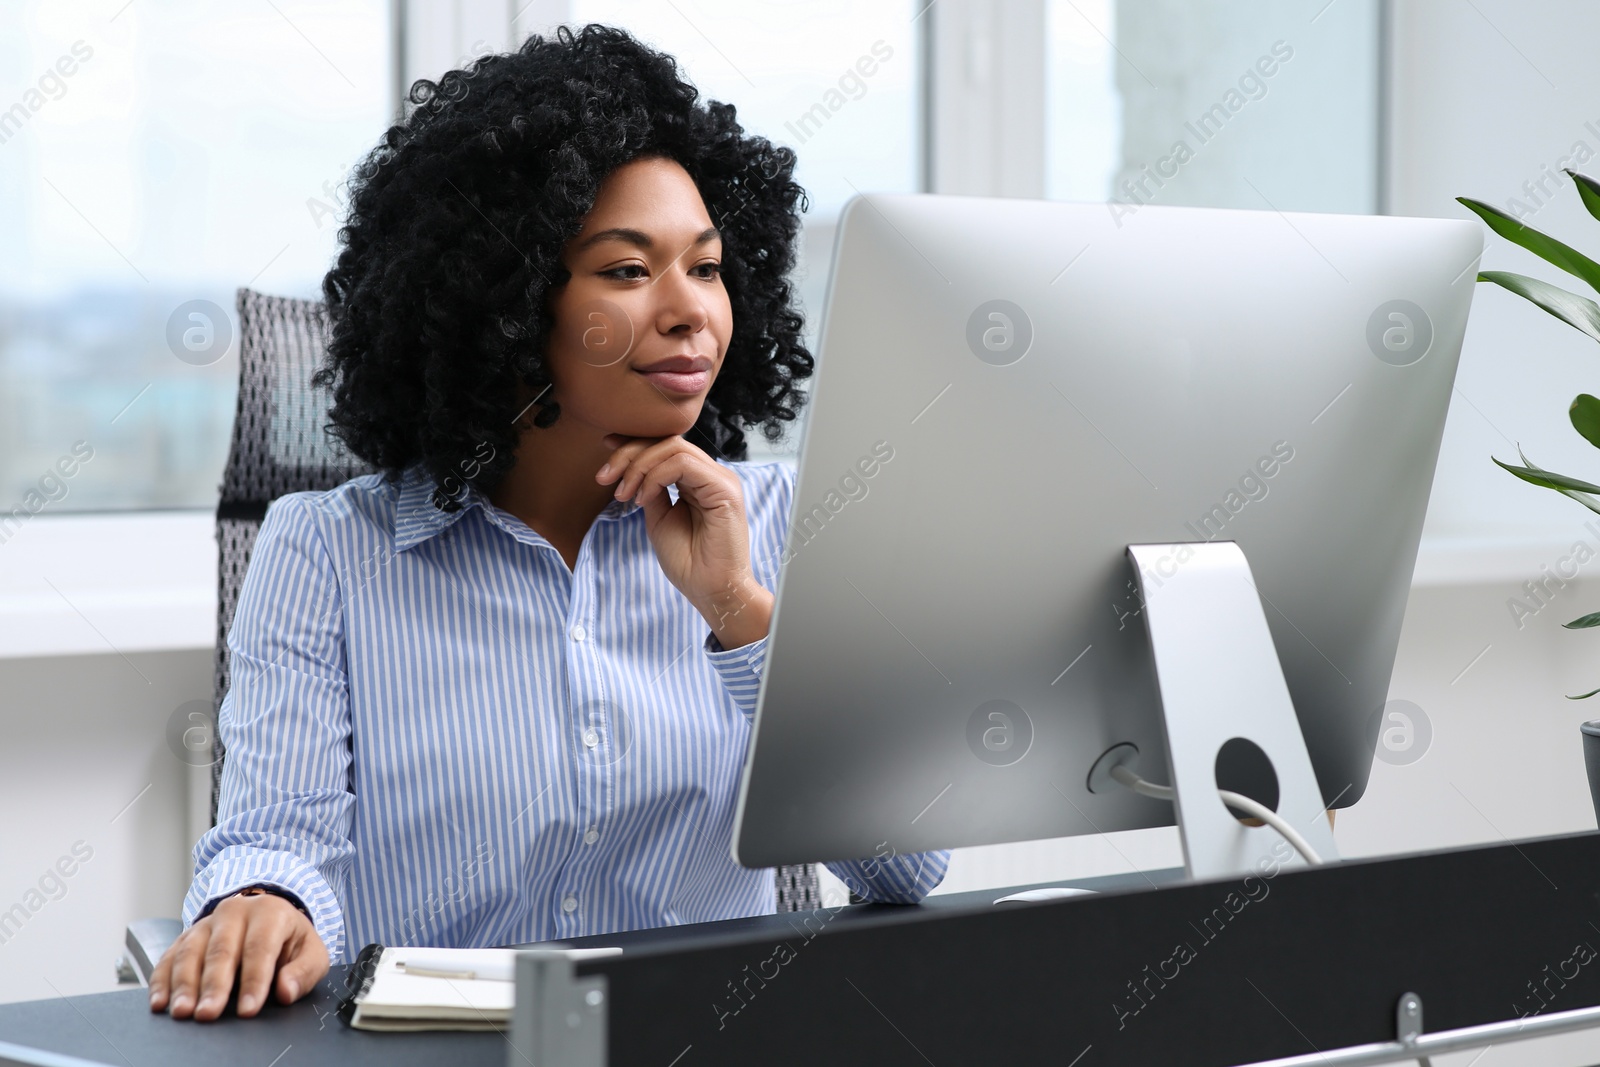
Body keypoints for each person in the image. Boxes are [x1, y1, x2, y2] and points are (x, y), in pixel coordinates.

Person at [148, 23, 950, 1023]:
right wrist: (262, 903)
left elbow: (906, 864)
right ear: (508, 299)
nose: (689, 310)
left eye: (705, 267)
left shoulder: (781, 518)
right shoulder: (326, 549)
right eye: (625, 270)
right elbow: (275, 839)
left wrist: (740, 609)